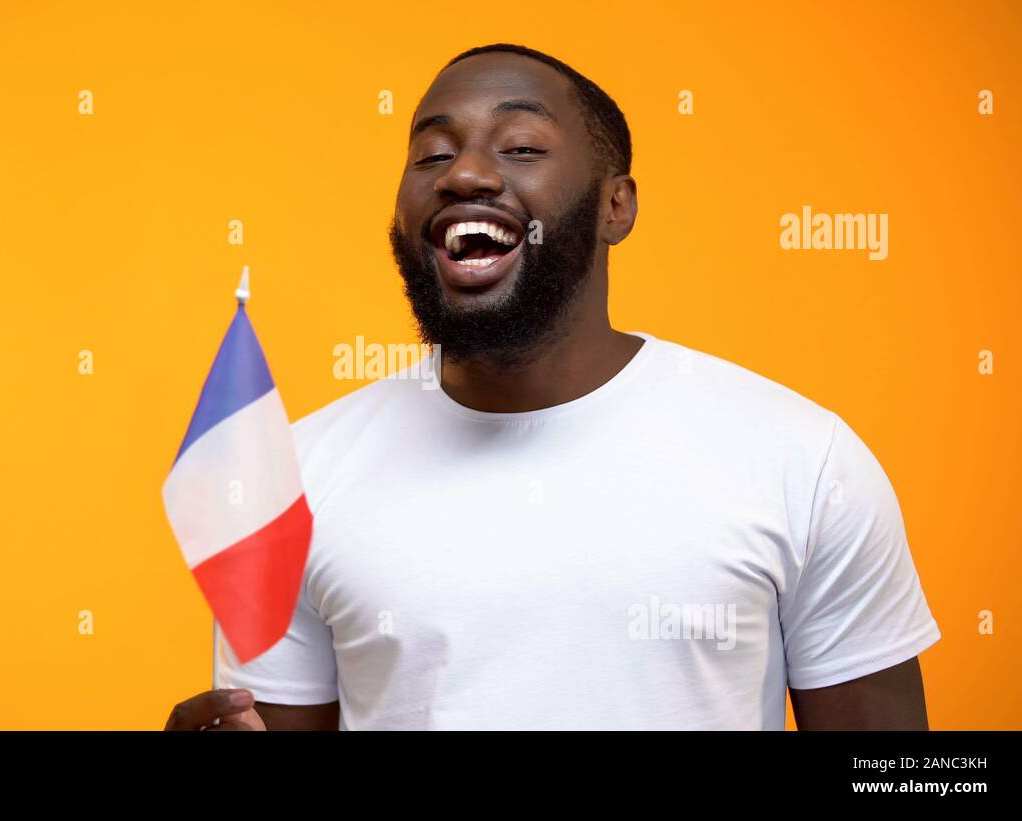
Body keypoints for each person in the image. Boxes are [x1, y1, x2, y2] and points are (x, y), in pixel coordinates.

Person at [166, 43, 939, 730]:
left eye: (522, 145)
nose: (465, 173)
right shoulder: (292, 478)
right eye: (432, 154)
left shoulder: (803, 460)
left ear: (616, 205)